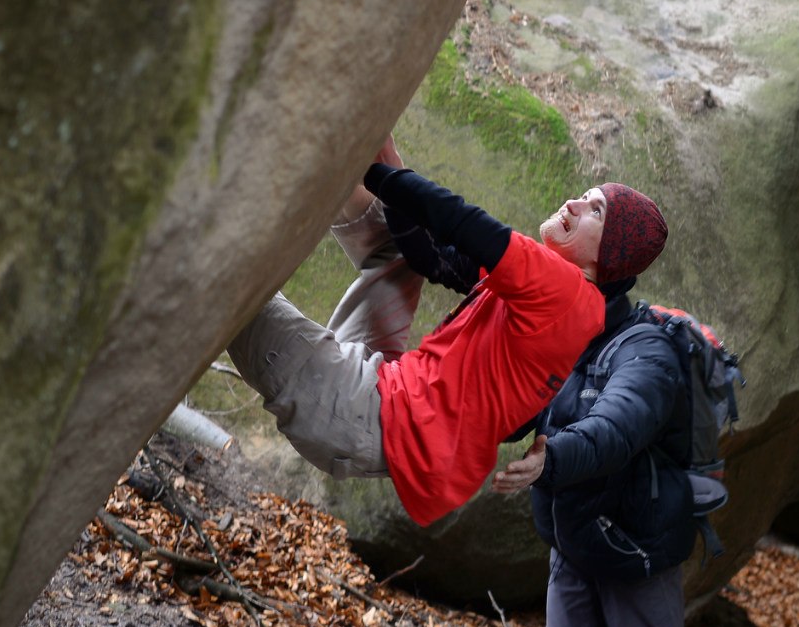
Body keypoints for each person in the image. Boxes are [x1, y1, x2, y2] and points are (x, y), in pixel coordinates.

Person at [227, 135, 668, 526]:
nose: (573, 203)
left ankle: (339, 156)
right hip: (384, 391)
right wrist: (387, 168)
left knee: (233, 284)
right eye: (584, 195)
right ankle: (345, 150)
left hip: (361, 415)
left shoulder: (565, 289)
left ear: (608, 253)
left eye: (596, 210)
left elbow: (460, 221)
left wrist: (373, 171)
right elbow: (430, 254)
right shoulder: (561, 301)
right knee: (393, 253)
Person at [490, 272, 695, 627]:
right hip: (573, 540)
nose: (572, 208)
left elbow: (615, 429)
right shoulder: (563, 333)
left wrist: (552, 460)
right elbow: (515, 406)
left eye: (593, 207)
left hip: (635, 549)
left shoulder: (647, 349)